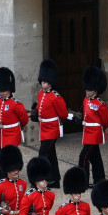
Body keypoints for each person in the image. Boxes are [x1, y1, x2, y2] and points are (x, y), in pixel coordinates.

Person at [28, 60, 68, 188]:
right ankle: (55, 180)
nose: (42, 83)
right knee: (51, 155)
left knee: (43, 154)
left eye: (45, 81)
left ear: (50, 82)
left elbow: (63, 114)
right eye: (42, 81)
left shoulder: (55, 96)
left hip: (52, 129)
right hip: (44, 128)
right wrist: (33, 114)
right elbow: (40, 110)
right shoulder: (41, 94)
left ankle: (40, 178)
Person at [77, 66, 108, 186]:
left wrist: (100, 129)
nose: (87, 91)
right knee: (95, 159)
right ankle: (100, 181)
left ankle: (83, 182)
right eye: (86, 88)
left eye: (89, 89)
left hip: (95, 134)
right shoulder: (86, 100)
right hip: (87, 132)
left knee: (83, 157)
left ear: (95, 90)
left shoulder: (100, 104)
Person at [0, 67, 28, 157]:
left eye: (3, 91)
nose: (1, 93)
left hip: (12, 133)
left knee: (9, 157)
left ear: (9, 89)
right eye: (0, 91)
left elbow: (24, 118)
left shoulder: (15, 104)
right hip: (2, 133)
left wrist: (18, 126)